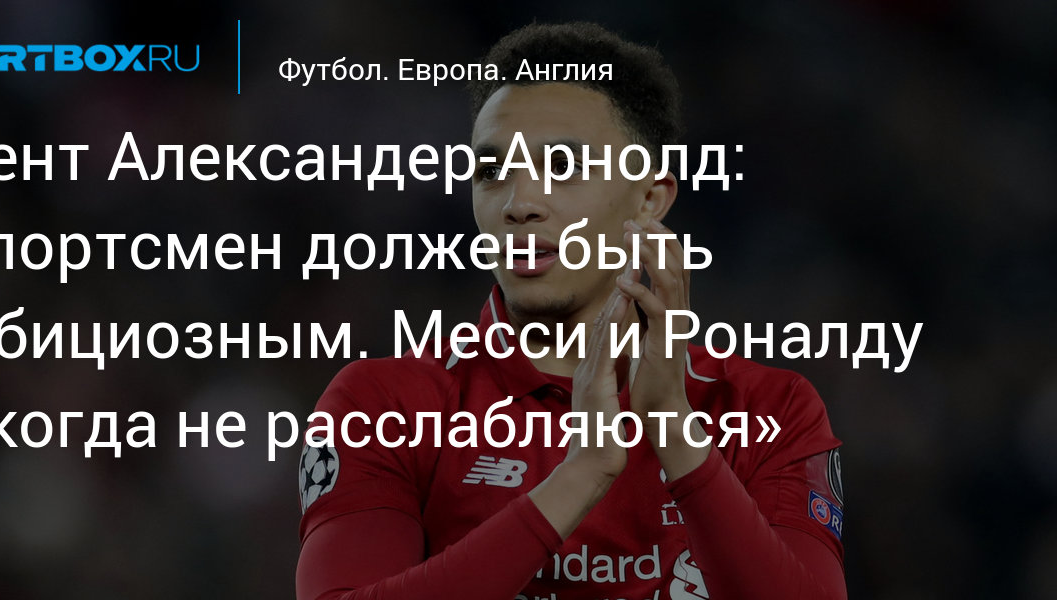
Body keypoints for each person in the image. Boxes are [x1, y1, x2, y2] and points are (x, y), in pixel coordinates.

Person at [296, 22, 847, 600]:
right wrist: (582, 473)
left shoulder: (770, 409)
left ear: (649, 198)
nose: (520, 204)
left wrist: (672, 427)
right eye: (492, 172)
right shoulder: (383, 404)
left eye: (562, 166)